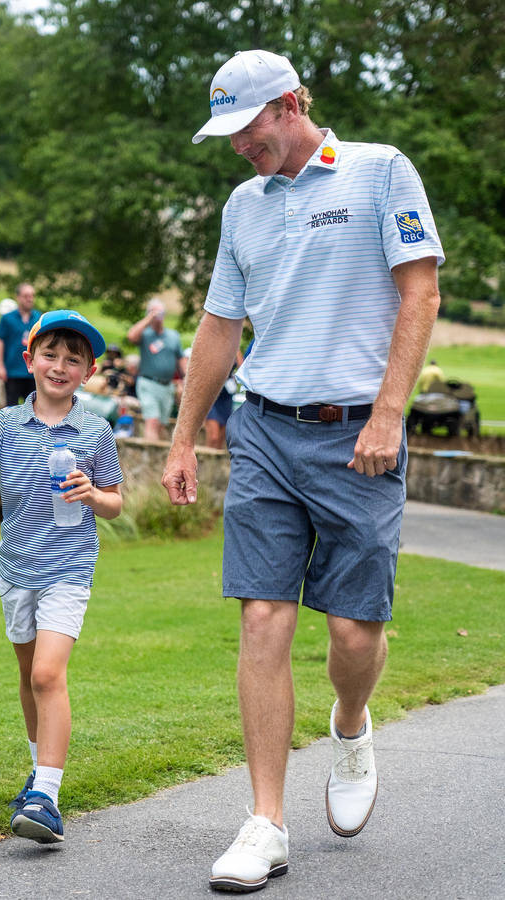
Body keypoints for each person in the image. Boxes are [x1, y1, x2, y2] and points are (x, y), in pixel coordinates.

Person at [162, 49, 444, 892]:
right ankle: (266, 823)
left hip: (360, 437)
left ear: (289, 105)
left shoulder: (380, 171)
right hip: (265, 431)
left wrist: (389, 414)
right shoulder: (242, 206)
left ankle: (350, 723)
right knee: (262, 618)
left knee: (354, 633)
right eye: (227, 133)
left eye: (246, 127)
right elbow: (220, 327)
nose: (237, 145)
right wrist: (183, 437)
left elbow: (421, 293)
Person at [0, 309, 123, 845]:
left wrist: (93, 495)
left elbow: (115, 503)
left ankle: (47, 796)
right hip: (17, 569)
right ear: (30, 359)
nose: (60, 366)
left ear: (88, 372)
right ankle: (38, 771)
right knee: (28, 675)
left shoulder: (95, 431)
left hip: (69, 570)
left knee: (47, 675)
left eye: (73, 359)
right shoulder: (6, 424)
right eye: (51, 355)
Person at [127, 297, 186, 441]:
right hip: (148, 383)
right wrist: (150, 318)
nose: (158, 316)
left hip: (167, 386)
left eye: (160, 313)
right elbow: (131, 336)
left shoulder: (173, 335)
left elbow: (181, 358)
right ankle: (149, 451)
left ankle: (153, 450)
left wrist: (186, 377)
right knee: (152, 421)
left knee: (161, 424)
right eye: (154, 312)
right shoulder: (145, 334)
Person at [0, 283, 41, 407]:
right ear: (18, 297)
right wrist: (0, 366)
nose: (29, 299)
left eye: (32, 296)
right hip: (13, 370)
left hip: (32, 370)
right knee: (11, 406)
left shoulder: (38, 317)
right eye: (26, 296)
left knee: (34, 406)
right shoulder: (7, 318)